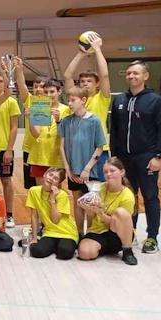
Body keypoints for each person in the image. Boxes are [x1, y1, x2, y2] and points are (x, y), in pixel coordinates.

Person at [109, 60, 161, 254]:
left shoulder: (155, 100)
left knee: (150, 197)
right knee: (129, 196)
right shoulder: (119, 100)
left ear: (145, 76)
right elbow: (114, 130)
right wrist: (114, 158)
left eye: (135, 73)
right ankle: (130, 231)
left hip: (146, 157)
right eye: (128, 73)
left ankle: (152, 237)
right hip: (124, 159)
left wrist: (158, 155)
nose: (131, 76)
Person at [58, 86, 106, 234]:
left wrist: (87, 169)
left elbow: (99, 147)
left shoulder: (94, 121)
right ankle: (79, 233)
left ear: (83, 100)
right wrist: (68, 169)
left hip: (90, 171)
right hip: (73, 171)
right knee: (77, 202)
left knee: (90, 203)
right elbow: (61, 147)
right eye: (68, 100)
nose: (69, 103)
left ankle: (91, 233)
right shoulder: (66, 121)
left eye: (73, 100)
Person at [77, 157, 137, 266]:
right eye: (105, 172)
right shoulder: (99, 188)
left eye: (112, 171)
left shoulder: (127, 195)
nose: (108, 174)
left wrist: (100, 212)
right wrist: (88, 208)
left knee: (121, 212)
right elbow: (91, 216)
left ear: (122, 172)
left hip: (117, 234)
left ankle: (127, 251)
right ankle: (102, 248)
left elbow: (117, 222)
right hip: (98, 231)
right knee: (84, 253)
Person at [64, 32, 111, 168]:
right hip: (77, 149)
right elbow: (67, 76)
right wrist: (80, 54)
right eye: (82, 81)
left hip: (98, 150)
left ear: (97, 84)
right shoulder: (75, 98)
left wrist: (97, 50)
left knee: (98, 182)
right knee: (77, 182)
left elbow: (105, 75)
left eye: (89, 81)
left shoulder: (101, 98)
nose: (85, 83)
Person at [25, 167, 79, 260]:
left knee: (64, 253)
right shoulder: (33, 191)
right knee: (37, 251)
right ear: (44, 175)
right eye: (50, 175)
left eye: (55, 178)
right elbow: (34, 216)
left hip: (67, 232)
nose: (51, 179)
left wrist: (52, 200)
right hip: (50, 232)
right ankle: (52, 245)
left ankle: (69, 243)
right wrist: (34, 238)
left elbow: (55, 220)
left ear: (58, 183)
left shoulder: (62, 195)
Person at [13, 57, 49, 196]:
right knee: (32, 187)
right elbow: (21, 84)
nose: (38, 89)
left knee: (49, 185)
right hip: (30, 149)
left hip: (47, 151)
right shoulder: (30, 100)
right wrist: (19, 69)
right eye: (35, 86)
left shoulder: (52, 103)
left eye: (42, 86)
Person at [0, 69, 21, 227]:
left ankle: (9, 215)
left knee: (6, 180)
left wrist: (9, 149)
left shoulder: (11, 102)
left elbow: (14, 127)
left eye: (0, 81)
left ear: (5, 84)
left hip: (4, 148)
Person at [27, 79, 69, 184]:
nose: (49, 95)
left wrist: (59, 121)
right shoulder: (39, 107)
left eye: (52, 91)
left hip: (57, 157)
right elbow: (36, 134)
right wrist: (30, 119)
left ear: (59, 92)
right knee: (40, 189)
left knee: (55, 189)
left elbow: (67, 135)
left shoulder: (67, 110)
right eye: (46, 92)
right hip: (39, 155)